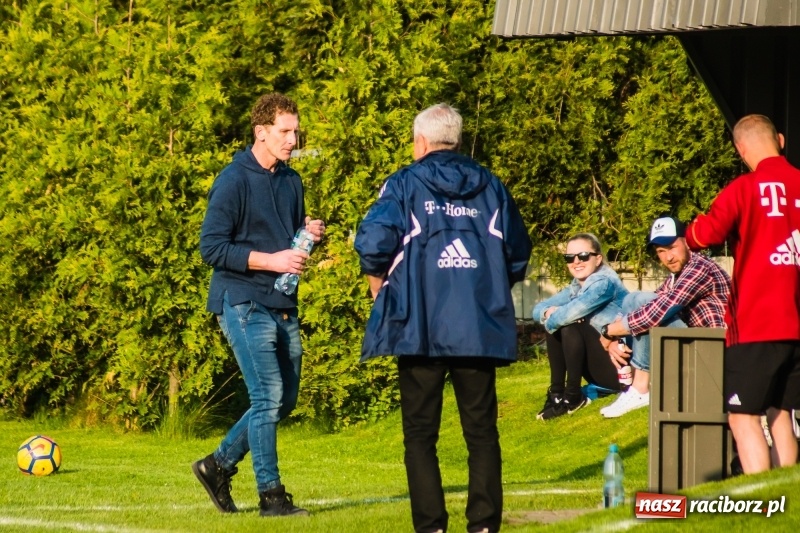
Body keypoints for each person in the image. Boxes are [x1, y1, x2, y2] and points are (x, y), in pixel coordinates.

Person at [354, 103, 531, 533]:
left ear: (420, 142)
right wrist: (484, 289)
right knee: (482, 432)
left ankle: (431, 527)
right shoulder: (492, 186)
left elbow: (373, 239)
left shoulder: (404, 183)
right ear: (457, 139)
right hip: (477, 327)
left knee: (420, 435)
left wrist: (377, 279)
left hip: (420, 328)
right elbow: (518, 253)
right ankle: (484, 525)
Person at [193, 93, 325, 517]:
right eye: (285, 131)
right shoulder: (233, 180)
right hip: (242, 299)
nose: (293, 139)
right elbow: (211, 247)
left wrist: (306, 233)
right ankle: (272, 496)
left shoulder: (291, 181)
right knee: (267, 395)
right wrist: (272, 260)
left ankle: (217, 465)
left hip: (282, 301)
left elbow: (285, 237)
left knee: (284, 399)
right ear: (261, 132)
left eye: (296, 131)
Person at [685, 114, 800, 474]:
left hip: (756, 323)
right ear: (780, 139)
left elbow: (702, 235)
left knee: (743, 417)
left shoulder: (743, 188)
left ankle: (763, 506)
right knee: (781, 413)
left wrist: (691, 231)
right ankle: (787, 503)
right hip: (797, 325)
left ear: (740, 149)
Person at [599, 216, 730, 418]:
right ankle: (638, 387)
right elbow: (643, 304)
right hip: (700, 349)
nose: (668, 257)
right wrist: (612, 337)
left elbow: (658, 310)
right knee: (633, 299)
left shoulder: (700, 267)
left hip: (717, 353)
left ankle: (641, 388)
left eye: (671, 247)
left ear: (687, 242)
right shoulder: (677, 277)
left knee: (643, 303)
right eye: (661, 251)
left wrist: (609, 332)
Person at [531, 233, 628, 420]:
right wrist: (549, 312)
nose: (576, 262)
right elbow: (537, 310)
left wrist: (556, 314)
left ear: (598, 258)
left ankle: (573, 395)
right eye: (569, 258)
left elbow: (564, 316)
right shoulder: (576, 286)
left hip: (620, 370)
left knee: (565, 324)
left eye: (583, 256)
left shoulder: (603, 283)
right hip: (599, 365)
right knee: (561, 320)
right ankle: (556, 395)